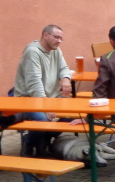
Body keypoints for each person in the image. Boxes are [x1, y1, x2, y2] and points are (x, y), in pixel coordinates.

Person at [14, 24, 72, 157]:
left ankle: (45, 138)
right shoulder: (33, 52)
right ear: (45, 35)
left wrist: (65, 79)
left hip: (51, 96)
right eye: (56, 37)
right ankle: (29, 142)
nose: (59, 41)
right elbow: (34, 83)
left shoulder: (56, 50)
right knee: (43, 119)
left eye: (61, 38)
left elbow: (64, 68)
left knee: (74, 113)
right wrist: (45, 105)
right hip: (29, 99)